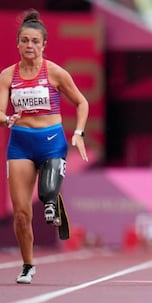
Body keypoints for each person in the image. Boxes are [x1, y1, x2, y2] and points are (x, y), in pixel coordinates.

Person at [0, 9, 89, 284]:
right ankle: (28, 264)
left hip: (51, 142)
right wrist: (6, 118)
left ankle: (52, 198)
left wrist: (79, 132)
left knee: (46, 192)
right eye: (25, 40)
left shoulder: (55, 72)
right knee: (22, 213)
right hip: (20, 144)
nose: (29, 46)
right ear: (17, 43)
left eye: (35, 41)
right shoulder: (7, 76)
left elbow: (82, 102)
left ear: (43, 45)